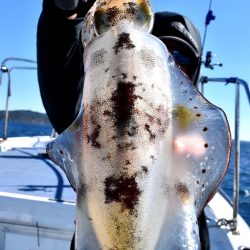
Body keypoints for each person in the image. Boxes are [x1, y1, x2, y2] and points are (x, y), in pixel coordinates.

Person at [37, 1, 208, 249]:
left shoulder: (192, 123)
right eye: (162, 51)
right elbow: (63, 101)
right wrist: (63, 12)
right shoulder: (102, 112)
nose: (172, 62)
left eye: (182, 55)